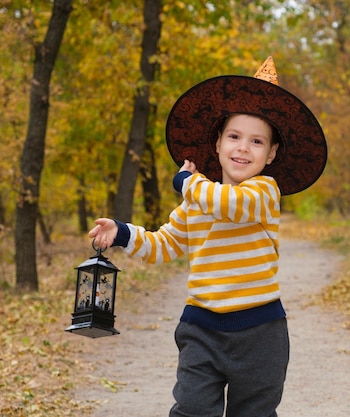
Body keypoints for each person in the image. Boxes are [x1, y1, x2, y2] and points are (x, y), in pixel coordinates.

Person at [88, 56, 327, 417]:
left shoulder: (263, 193)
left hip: (261, 332)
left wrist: (187, 182)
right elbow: (164, 244)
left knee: (255, 412)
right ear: (217, 144)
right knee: (192, 409)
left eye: (257, 141)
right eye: (234, 136)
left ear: (272, 153)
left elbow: (229, 203)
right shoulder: (197, 201)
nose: (243, 148)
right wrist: (122, 233)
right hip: (201, 329)